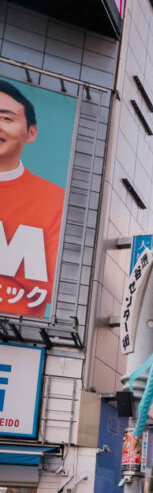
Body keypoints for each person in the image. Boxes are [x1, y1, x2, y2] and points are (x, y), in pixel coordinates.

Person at [0, 79, 65, 319]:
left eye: (6, 118)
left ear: (31, 133)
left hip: (17, 345)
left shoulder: (54, 200)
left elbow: (54, 285)